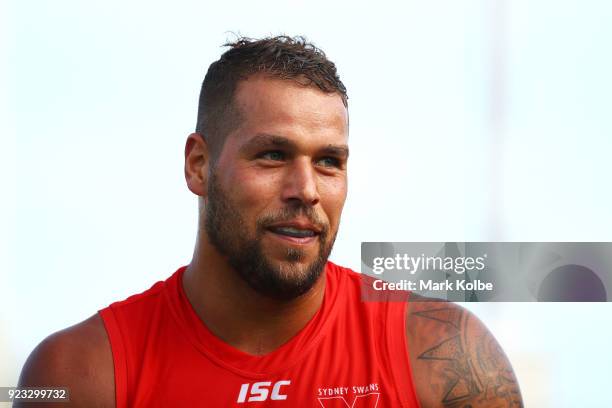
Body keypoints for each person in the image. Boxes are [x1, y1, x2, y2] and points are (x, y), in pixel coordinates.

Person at [17, 36, 523, 407]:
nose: (305, 190)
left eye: (329, 161)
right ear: (199, 165)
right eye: (273, 155)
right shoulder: (78, 374)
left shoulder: (444, 354)